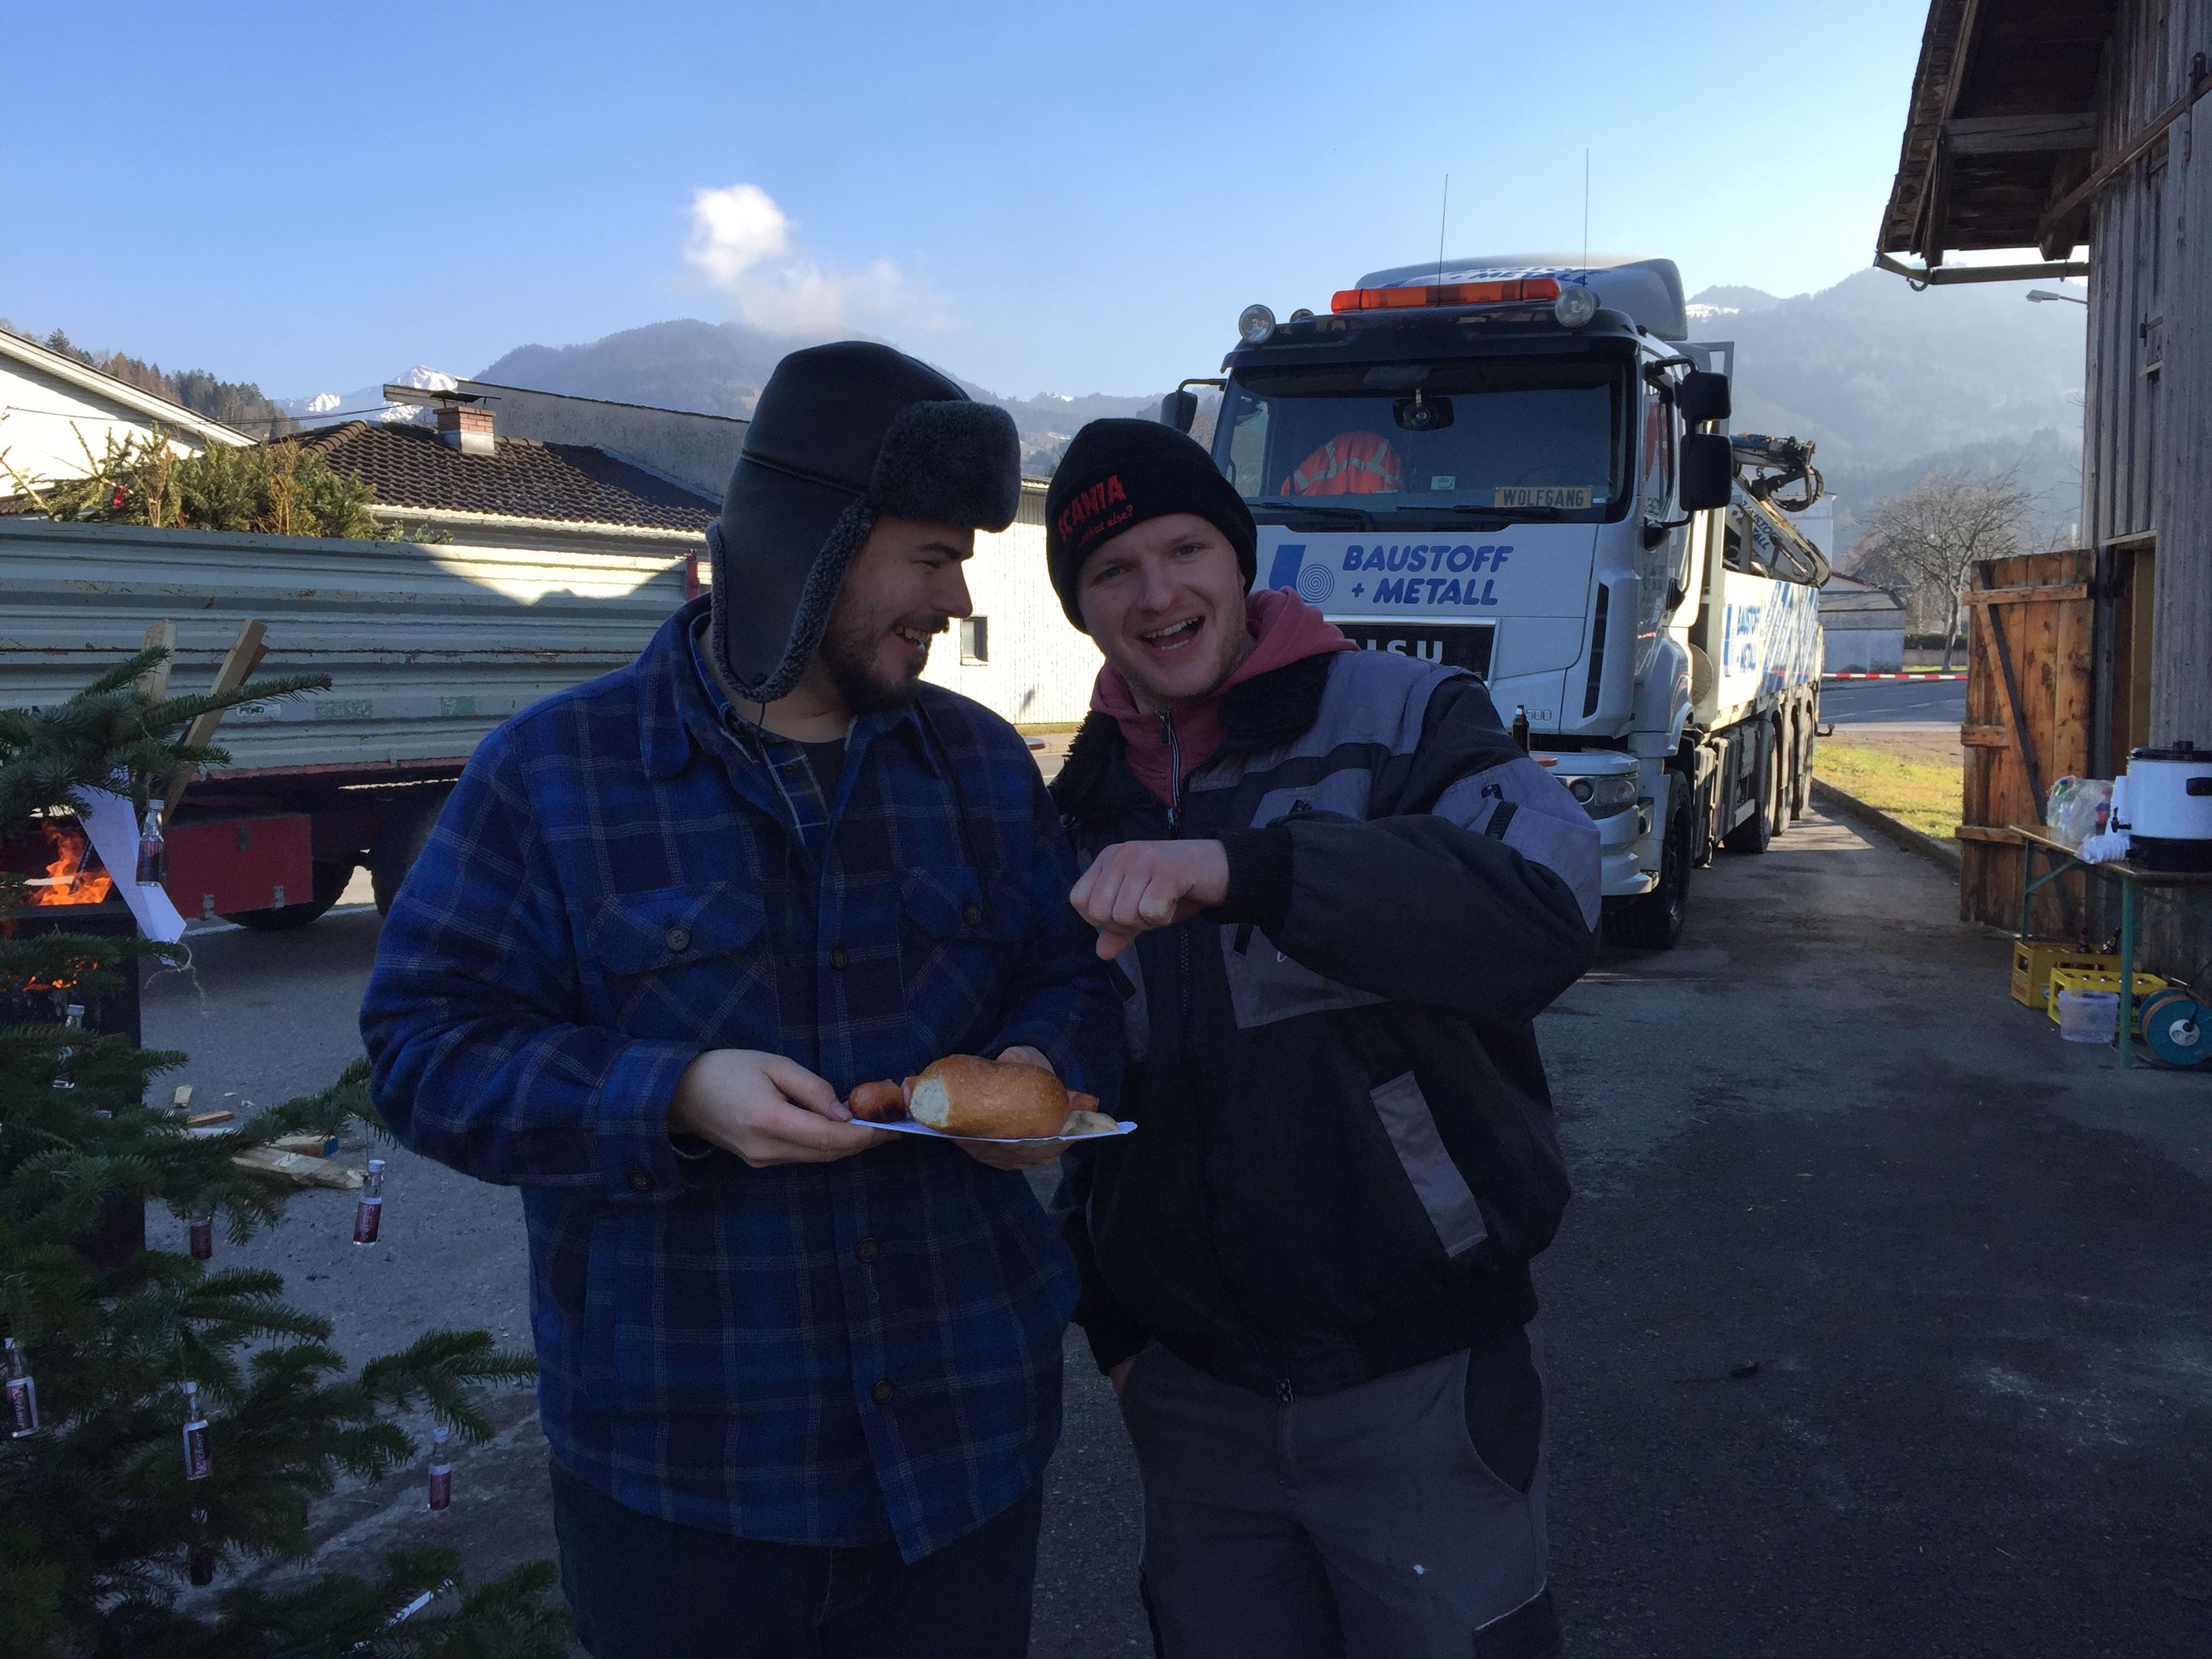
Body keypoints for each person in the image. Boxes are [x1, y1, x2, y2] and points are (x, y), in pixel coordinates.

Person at [360, 342, 1120, 1659]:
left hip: (965, 1459)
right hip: (685, 1494)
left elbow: (1073, 977)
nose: (956, 599)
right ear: (813, 545)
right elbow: (423, 1050)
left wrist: (1035, 1070)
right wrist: (672, 1097)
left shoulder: (984, 771)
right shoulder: (552, 774)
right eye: (931, 557)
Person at [1044, 418, 1599, 1659]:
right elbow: (1091, 1096)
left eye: (1186, 549)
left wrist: (1253, 870)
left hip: (1420, 1381)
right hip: (1193, 1399)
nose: (1157, 594)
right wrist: (1115, 1326)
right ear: (1082, 611)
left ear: (1239, 560)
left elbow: (1547, 911)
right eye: (1112, 571)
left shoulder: (1406, 712)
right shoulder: (1079, 805)